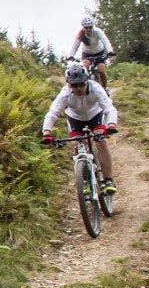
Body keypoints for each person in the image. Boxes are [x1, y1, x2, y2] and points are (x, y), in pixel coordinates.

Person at [41, 63, 120, 193]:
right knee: (77, 145)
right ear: (68, 84)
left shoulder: (96, 88)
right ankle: (83, 180)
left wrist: (111, 124)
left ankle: (108, 180)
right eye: (74, 85)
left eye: (81, 84)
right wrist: (47, 132)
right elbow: (52, 113)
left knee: (100, 141)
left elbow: (109, 108)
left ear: (87, 81)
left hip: (95, 115)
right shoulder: (65, 94)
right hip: (75, 118)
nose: (78, 88)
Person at [70, 17, 114, 86]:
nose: (88, 29)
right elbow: (75, 45)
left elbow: (105, 41)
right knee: (85, 70)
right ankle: (85, 88)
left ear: (92, 26)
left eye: (90, 27)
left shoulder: (97, 31)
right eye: (86, 27)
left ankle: (105, 88)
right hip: (87, 54)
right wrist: (71, 55)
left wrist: (110, 51)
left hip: (99, 52)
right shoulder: (81, 33)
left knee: (101, 71)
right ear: (83, 27)